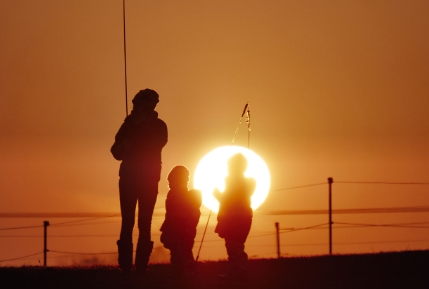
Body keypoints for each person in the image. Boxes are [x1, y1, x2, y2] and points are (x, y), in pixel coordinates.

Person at [111, 89, 168, 272]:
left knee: (145, 222)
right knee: (127, 222)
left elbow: (154, 145)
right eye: (135, 105)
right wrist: (123, 146)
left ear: (150, 106)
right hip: (127, 179)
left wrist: (133, 137)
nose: (136, 109)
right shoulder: (128, 124)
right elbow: (115, 151)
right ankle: (126, 266)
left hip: (149, 181)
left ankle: (142, 266)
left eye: (139, 105)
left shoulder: (159, 126)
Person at [213, 153, 256, 279]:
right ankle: (236, 271)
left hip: (235, 219)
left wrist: (217, 194)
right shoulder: (247, 182)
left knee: (234, 246)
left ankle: (239, 271)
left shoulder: (236, 182)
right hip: (241, 218)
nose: (227, 168)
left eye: (229, 166)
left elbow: (229, 201)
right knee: (234, 245)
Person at [160, 166, 202, 278]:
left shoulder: (186, 197)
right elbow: (169, 214)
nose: (169, 184)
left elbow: (194, 214)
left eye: (172, 181)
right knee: (176, 252)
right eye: (169, 182)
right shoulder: (173, 195)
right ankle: (177, 273)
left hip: (183, 231)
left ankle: (189, 272)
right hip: (175, 230)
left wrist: (188, 227)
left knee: (184, 252)